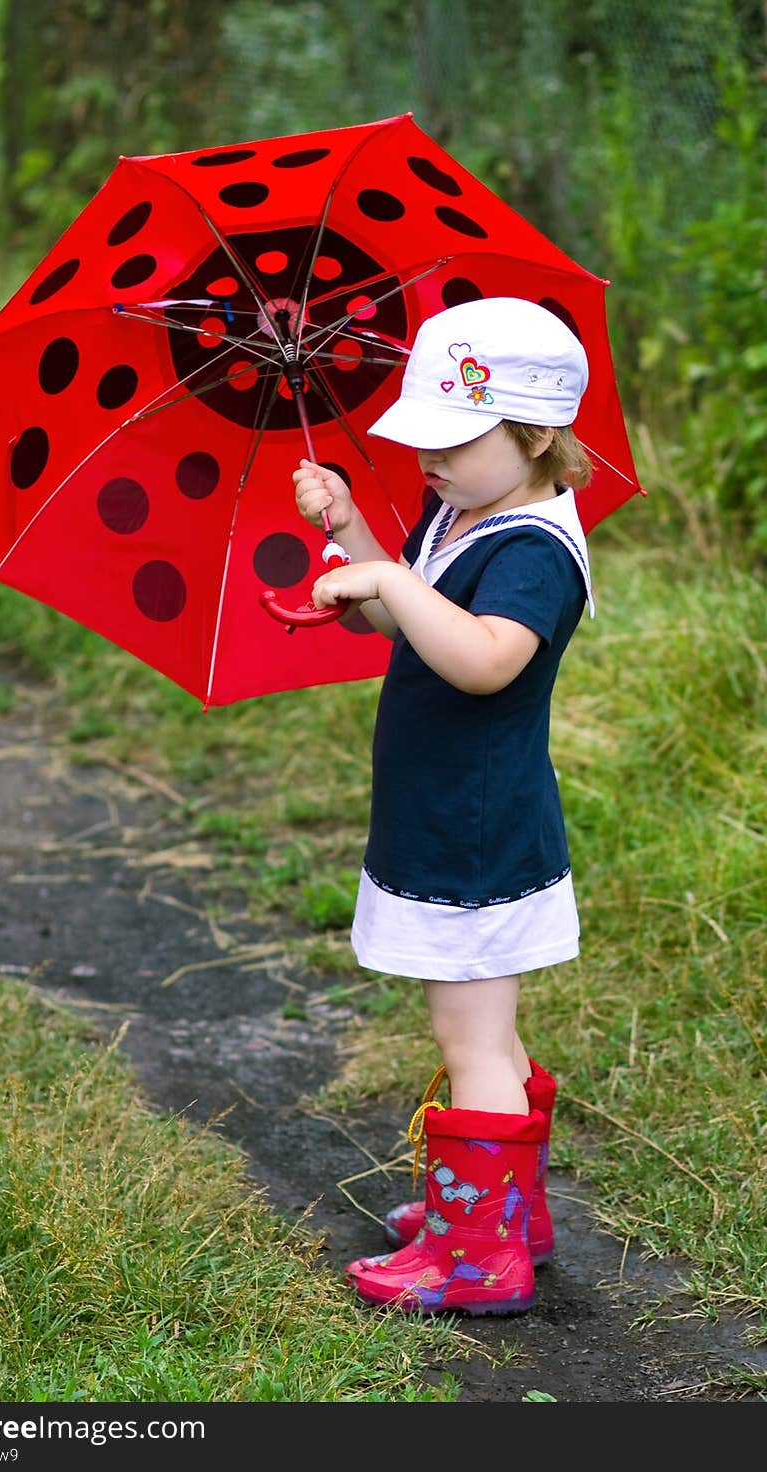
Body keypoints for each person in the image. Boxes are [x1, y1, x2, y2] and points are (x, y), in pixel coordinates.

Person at [292, 295, 595, 1317]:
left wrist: (387, 576)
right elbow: (398, 616)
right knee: (486, 1037)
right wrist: (349, 536)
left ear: (535, 434)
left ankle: (477, 1255)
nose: (425, 456)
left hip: (474, 830)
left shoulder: (535, 552)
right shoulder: (463, 512)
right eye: (415, 434)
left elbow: (478, 658)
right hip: (447, 816)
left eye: (449, 438)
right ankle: (504, 1212)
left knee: (470, 1039)